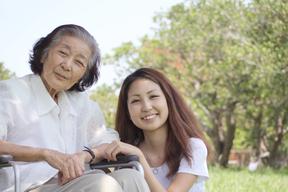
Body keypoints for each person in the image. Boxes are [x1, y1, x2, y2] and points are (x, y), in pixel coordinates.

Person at [0, 24, 149, 192]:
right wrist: (44, 154)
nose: (67, 65)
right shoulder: (11, 92)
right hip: (27, 187)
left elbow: (108, 144)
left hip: (75, 182)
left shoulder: (82, 105)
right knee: (103, 184)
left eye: (79, 62)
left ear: (83, 75)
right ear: (43, 55)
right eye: (62, 53)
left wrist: (85, 155)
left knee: (131, 177)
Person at [104, 68, 210, 192]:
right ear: (127, 111)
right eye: (136, 100)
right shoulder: (126, 152)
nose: (146, 107)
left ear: (168, 100)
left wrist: (139, 158)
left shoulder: (192, 148)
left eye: (153, 96)